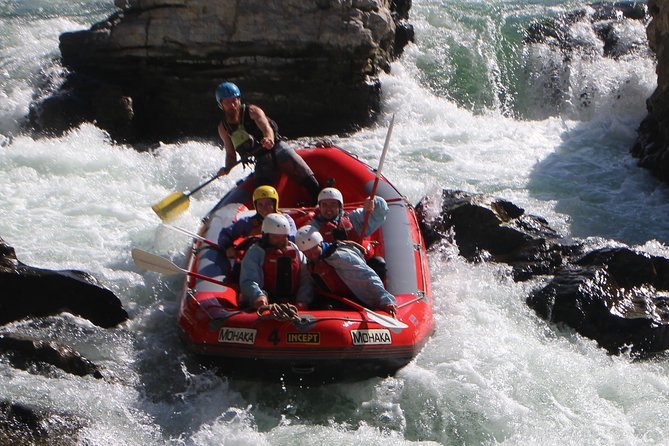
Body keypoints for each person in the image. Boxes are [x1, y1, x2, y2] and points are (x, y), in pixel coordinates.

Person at [214, 82, 320, 199]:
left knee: (310, 183)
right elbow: (230, 154)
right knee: (262, 196)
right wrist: (227, 169)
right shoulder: (223, 128)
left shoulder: (253, 111)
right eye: (227, 102)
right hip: (262, 159)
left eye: (234, 100)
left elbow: (266, 128)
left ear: (239, 99)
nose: (232, 105)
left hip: (278, 149)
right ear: (221, 104)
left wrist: (268, 138)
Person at [295, 226, 397, 317]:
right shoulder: (310, 265)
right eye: (306, 252)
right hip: (338, 302)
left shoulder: (340, 256)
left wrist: (385, 300)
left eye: (313, 250)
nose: (311, 254)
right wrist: (302, 302)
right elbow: (307, 285)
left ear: (320, 244)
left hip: (358, 300)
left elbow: (367, 276)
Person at [239, 213, 313, 310]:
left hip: (293, 303)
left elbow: (306, 278)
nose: (281, 241)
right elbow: (248, 280)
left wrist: (302, 300)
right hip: (265, 302)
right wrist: (258, 296)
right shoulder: (255, 252)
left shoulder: (295, 250)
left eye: (284, 237)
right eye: (276, 237)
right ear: (266, 236)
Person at [218, 185, 297, 261]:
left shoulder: (286, 220)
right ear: (256, 206)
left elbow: (292, 237)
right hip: (255, 260)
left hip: (280, 259)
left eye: (268, 204)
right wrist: (228, 247)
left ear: (274, 203)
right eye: (260, 204)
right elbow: (225, 234)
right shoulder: (248, 222)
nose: (264, 208)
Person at [308, 187, 389, 243]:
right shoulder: (313, 226)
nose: (328, 208)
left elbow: (380, 213)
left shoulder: (352, 218)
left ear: (340, 206)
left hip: (353, 258)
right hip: (328, 263)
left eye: (333, 204)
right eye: (324, 205)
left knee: (378, 262)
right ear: (320, 207)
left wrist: (374, 201)